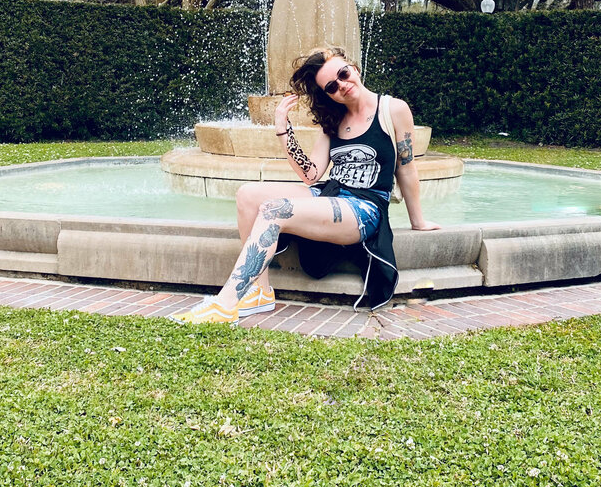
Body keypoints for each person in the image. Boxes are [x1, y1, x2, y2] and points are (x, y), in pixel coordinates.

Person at [172, 48, 441, 324]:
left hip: (365, 208)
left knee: (275, 210)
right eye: (331, 87)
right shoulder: (334, 119)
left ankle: (224, 305)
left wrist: (417, 221)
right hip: (331, 193)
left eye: (343, 74)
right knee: (247, 195)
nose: (341, 85)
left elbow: (406, 168)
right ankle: (260, 292)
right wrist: (283, 129)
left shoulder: (392, 109)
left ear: (354, 68)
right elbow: (311, 175)